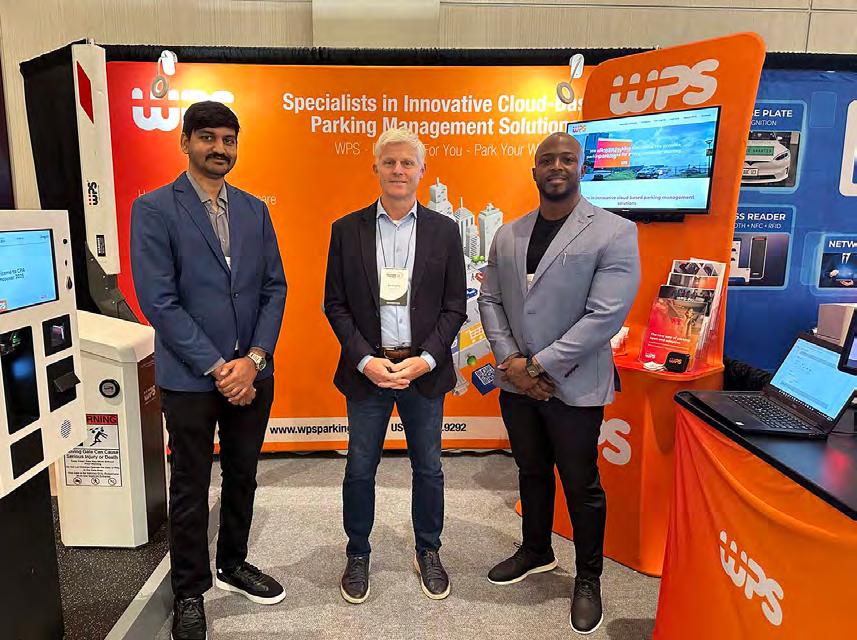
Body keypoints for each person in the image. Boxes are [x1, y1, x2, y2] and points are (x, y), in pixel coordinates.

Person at [130, 101, 287, 640]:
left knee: (243, 474)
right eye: (208, 137)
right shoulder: (154, 209)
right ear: (186, 142)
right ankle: (190, 590)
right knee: (191, 487)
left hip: (253, 373)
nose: (220, 148)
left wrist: (254, 359)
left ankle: (233, 563)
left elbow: (274, 288)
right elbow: (159, 300)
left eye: (229, 139)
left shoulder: (254, 210)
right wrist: (221, 368)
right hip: (191, 378)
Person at [478, 132, 640, 635]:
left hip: (574, 385)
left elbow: (604, 316)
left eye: (566, 159)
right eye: (546, 160)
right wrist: (512, 362)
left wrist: (538, 366)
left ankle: (588, 578)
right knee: (530, 471)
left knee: (580, 483)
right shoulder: (508, 234)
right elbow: (490, 300)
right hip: (517, 384)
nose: (556, 166)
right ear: (534, 172)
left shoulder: (615, 232)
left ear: (581, 167)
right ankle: (536, 549)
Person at [323, 128, 466, 605]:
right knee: (360, 468)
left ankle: (429, 549)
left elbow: (454, 306)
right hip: (370, 370)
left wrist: (426, 360)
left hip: (423, 370)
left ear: (422, 171)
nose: (399, 170)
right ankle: (357, 553)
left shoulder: (445, 230)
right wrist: (365, 360)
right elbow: (335, 304)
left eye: (407, 163)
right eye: (390, 163)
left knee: (429, 467)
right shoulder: (346, 230)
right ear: (376, 169)